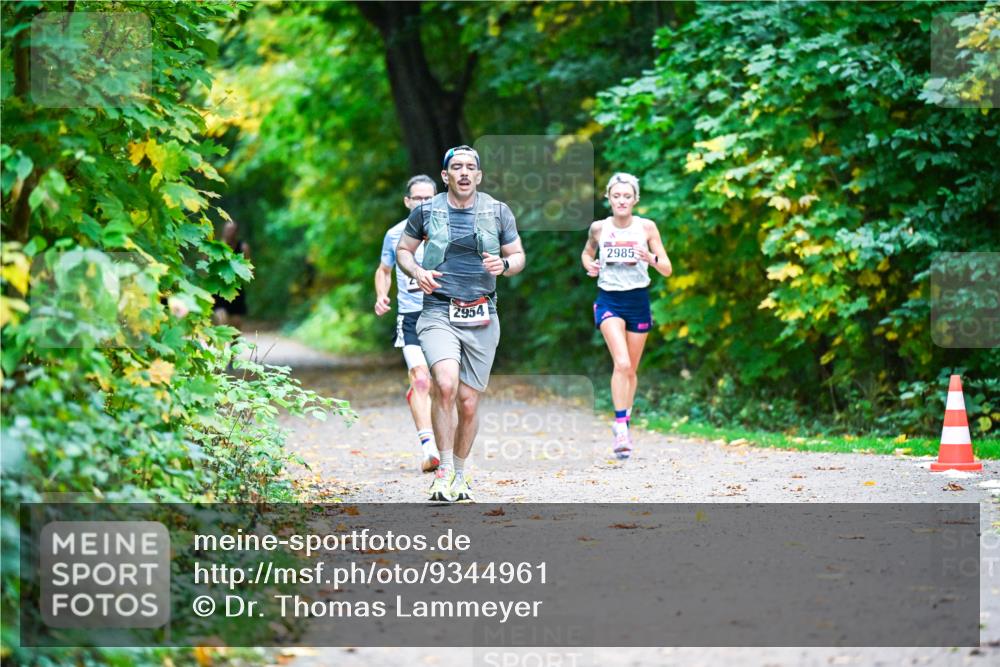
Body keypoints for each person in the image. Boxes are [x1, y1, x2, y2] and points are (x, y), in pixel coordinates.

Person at [396, 145, 525, 502]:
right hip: (438, 310)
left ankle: (461, 474)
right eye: (457, 167)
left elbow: (517, 255)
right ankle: (442, 472)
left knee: (468, 403)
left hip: (482, 314)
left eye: (471, 167)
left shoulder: (498, 212)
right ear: (445, 175)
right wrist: (417, 271)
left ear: (479, 176)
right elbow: (403, 251)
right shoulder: (426, 211)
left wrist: (506, 266)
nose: (464, 172)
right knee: (446, 384)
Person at [581, 173, 672, 460]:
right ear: (608, 198)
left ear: (635, 199)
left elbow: (667, 268)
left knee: (631, 370)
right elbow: (586, 254)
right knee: (620, 363)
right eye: (616, 196)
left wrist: (651, 259)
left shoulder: (646, 227)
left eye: (627, 196)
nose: (621, 201)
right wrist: (591, 266)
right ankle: (621, 428)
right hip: (609, 300)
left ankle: (624, 420)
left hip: (638, 300)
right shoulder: (598, 228)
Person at [374, 175, 440, 473]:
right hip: (411, 317)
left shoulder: (450, 231)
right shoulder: (395, 235)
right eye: (418, 199)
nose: (423, 204)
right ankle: (429, 448)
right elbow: (384, 270)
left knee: (444, 385)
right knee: (421, 378)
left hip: (444, 317)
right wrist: (381, 296)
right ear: (407, 201)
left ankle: (443, 439)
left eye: (429, 198)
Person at [213, 220, 251, 329]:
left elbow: (248, 270)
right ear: (223, 231)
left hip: (236, 289)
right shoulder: (216, 247)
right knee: (222, 320)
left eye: (232, 230)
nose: (230, 232)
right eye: (228, 230)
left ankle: (234, 345)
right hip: (219, 290)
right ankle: (222, 344)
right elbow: (207, 266)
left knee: (236, 326)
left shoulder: (243, 247)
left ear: (236, 232)